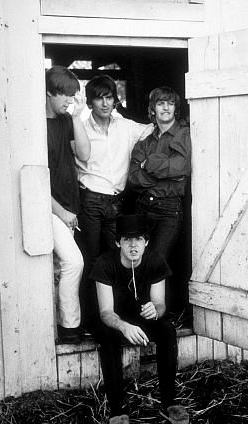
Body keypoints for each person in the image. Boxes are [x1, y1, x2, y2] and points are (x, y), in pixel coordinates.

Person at [89, 214, 189, 424]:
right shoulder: (105, 263)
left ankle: (169, 402)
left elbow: (160, 303)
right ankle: (117, 412)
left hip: (140, 317)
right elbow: (105, 312)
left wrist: (155, 310)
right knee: (108, 336)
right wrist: (123, 327)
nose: (133, 245)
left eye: (138, 239)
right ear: (118, 242)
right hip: (114, 319)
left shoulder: (155, 260)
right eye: (127, 239)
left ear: (146, 242)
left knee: (166, 329)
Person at [75, 75, 153, 326]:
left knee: (114, 262)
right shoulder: (81, 127)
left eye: (109, 97)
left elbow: (153, 130)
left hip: (116, 203)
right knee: (90, 262)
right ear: (90, 102)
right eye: (99, 98)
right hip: (90, 201)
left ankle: (115, 317)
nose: (105, 103)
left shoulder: (126, 126)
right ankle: (89, 322)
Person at [128, 86, 191, 317]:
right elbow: (133, 178)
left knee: (158, 260)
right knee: (139, 260)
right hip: (144, 206)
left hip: (168, 209)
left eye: (170, 103)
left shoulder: (183, 134)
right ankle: (143, 312)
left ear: (176, 108)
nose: (165, 107)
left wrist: (149, 165)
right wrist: (164, 169)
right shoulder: (146, 140)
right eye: (160, 103)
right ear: (152, 109)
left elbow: (182, 168)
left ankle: (164, 314)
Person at [46, 65, 90, 344]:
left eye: (72, 97)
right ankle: (70, 327)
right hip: (49, 208)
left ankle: (56, 329)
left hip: (69, 206)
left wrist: (76, 116)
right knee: (74, 262)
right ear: (49, 93)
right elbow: (35, 180)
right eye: (64, 96)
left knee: (59, 270)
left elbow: (85, 153)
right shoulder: (36, 125)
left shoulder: (65, 120)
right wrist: (61, 212)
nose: (68, 101)